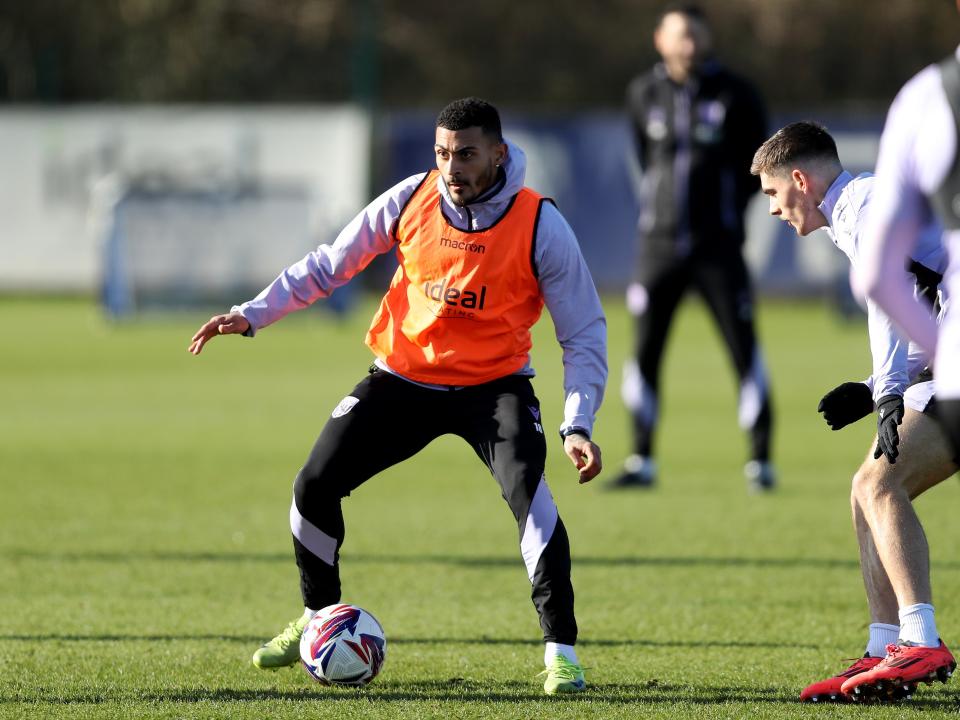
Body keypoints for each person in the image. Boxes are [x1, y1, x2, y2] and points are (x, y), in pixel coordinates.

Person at [187, 98, 606, 695]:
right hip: (402, 380)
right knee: (312, 485)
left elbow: (583, 331)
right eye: (442, 153)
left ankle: (560, 654)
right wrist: (251, 315)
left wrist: (577, 424)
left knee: (530, 497)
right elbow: (332, 265)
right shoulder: (410, 198)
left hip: (494, 388)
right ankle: (317, 620)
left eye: (466, 154)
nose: (452, 167)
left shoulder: (541, 223)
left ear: (499, 155)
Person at [751, 121, 956, 703]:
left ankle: (919, 639)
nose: (771, 209)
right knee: (866, 488)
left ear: (799, 180)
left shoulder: (864, 207)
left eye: (771, 193)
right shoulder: (864, 206)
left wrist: (888, 389)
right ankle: (884, 646)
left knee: (880, 483)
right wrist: (875, 389)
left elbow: (887, 300)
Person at [614, 2, 774, 491]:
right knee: (644, 351)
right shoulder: (643, 94)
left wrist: (724, 209)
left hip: (718, 247)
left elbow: (759, 168)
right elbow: (646, 159)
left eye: (695, 35)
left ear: (707, 39)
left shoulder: (737, 94)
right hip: (658, 247)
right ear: (659, 39)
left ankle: (760, 462)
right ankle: (641, 459)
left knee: (743, 348)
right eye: (679, 35)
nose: (688, 44)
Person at [858, 5, 960, 495]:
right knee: (873, 488)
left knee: (876, 488)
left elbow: (877, 277)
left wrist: (944, 358)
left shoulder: (926, 100)